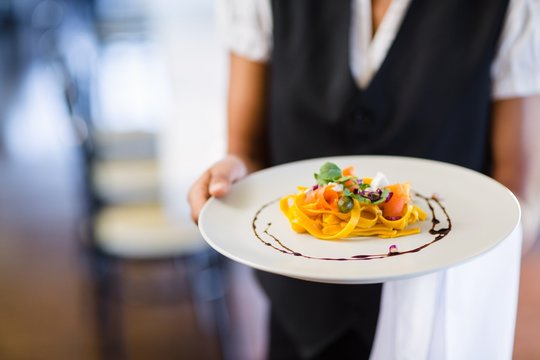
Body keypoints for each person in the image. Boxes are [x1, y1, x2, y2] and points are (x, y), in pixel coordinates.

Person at [188, 0, 540, 358]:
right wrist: (232, 177)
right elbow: (247, 152)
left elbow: (515, 190)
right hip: (302, 310)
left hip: (438, 317)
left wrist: (486, 247)